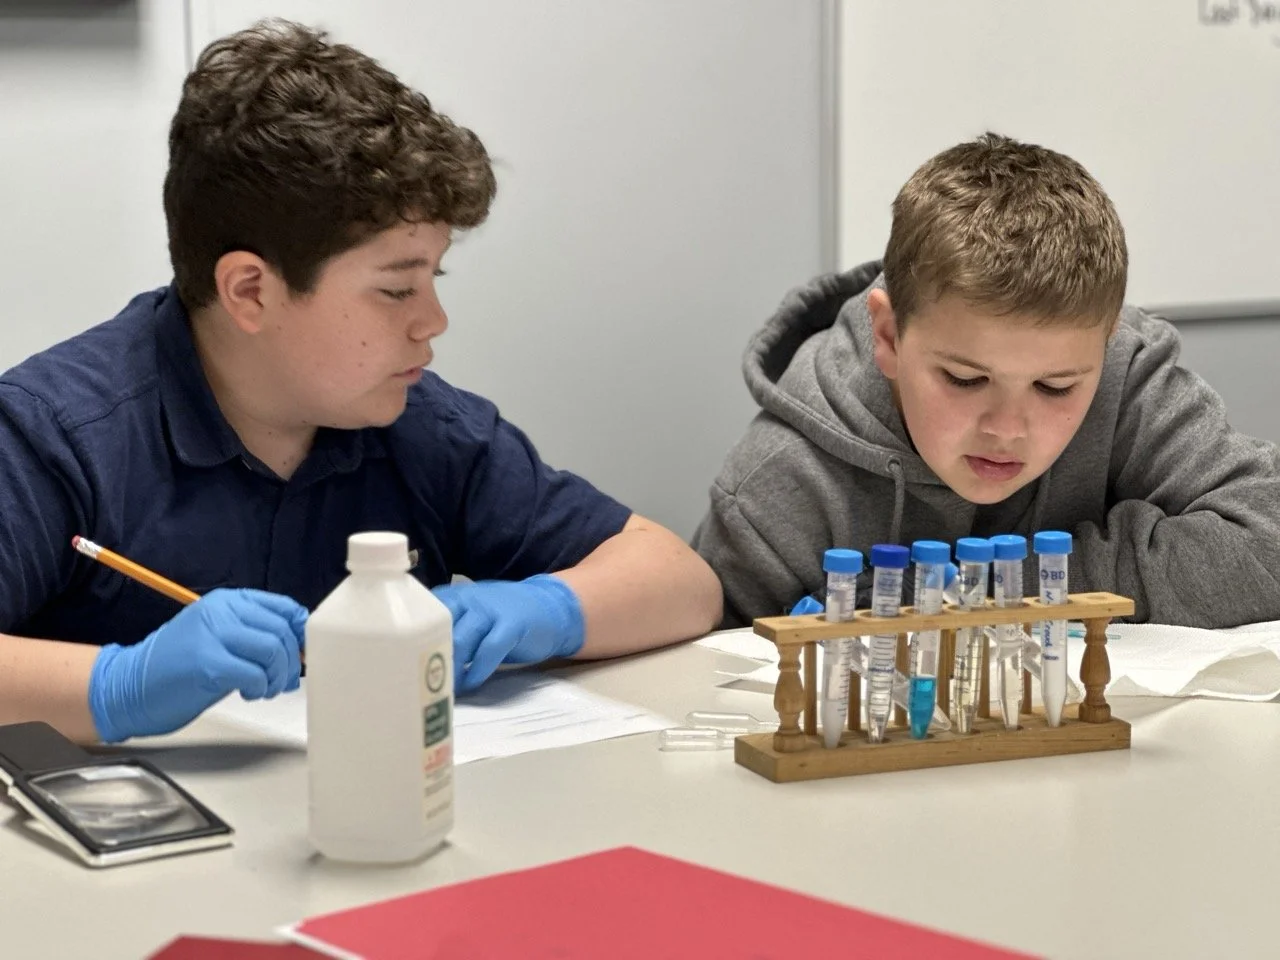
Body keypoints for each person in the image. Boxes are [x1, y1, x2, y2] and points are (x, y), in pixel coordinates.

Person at [0, 19, 721, 744]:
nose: (434, 321)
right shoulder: (55, 436)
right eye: (397, 290)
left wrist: (552, 607)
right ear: (250, 291)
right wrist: (116, 686)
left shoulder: (417, 428)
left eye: (432, 280)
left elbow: (683, 583)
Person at [693, 133, 1280, 629]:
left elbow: (1268, 544)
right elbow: (702, 698)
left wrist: (998, 586)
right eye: (965, 379)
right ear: (890, 337)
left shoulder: (1126, 375)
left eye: (1055, 388)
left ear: (1106, 346)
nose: (1006, 429)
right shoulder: (774, 489)